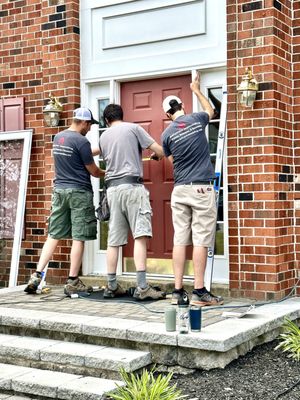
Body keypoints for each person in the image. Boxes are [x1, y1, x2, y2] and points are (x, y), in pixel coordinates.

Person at [24, 107, 105, 296]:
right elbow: (93, 171)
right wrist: (108, 172)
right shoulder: (82, 141)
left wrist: (101, 149)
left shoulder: (59, 138)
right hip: (79, 193)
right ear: (83, 122)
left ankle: (36, 276)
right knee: (79, 235)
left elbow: (78, 154)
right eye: (90, 125)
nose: (90, 128)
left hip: (59, 191)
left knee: (54, 234)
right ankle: (72, 280)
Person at [161, 73, 224, 306]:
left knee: (180, 240)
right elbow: (212, 112)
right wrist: (196, 89)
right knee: (200, 240)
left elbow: (172, 163)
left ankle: (178, 292)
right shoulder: (197, 118)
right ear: (182, 106)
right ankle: (199, 291)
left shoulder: (166, 134)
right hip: (200, 190)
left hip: (180, 190)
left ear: (167, 114)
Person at [98, 103, 166, 301]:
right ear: (122, 115)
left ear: (106, 120)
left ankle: (111, 286)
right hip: (132, 188)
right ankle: (142, 287)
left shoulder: (103, 136)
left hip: (112, 191)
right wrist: (157, 155)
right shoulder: (133, 128)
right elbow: (159, 150)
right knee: (140, 235)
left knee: (114, 240)